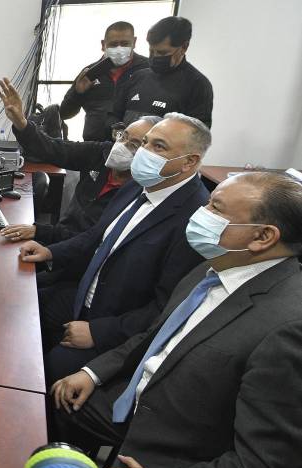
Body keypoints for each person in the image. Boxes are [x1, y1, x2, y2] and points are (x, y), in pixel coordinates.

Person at [50, 172, 302, 468]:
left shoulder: (288, 328)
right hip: (140, 400)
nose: (201, 213)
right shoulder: (214, 267)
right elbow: (156, 335)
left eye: (216, 208)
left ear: (262, 236)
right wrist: (94, 372)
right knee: (58, 396)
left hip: (177, 456)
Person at [19, 113, 210, 385]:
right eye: (144, 142)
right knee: (16, 306)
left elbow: (165, 309)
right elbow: (96, 237)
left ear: (190, 162)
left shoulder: (194, 219)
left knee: (37, 374)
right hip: (84, 299)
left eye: (159, 146)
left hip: (114, 329)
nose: (144, 152)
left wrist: (98, 332)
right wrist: (51, 252)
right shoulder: (138, 185)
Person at [0, 78, 161, 246]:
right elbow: (53, 148)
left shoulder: (141, 190)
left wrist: (39, 232)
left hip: (80, 254)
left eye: (133, 144)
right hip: (58, 239)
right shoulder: (101, 152)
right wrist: (21, 122)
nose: (122, 146)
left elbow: (94, 238)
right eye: (123, 136)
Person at [109, 16, 213, 129]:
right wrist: (118, 133)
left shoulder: (197, 85)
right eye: (151, 51)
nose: (155, 57)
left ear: (184, 47)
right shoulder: (137, 77)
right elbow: (114, 116)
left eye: (162, 53)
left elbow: (197, 136)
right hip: (125, 145)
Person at [60, 21, 148, 141]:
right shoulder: (90, 73)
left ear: (134, 42)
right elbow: (64, 113)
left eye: (125, 43)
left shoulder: (147, 69)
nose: (119, 49)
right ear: (103, 44)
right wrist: (77, 93)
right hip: (93, 147)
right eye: (113, 44)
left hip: (132, 146)